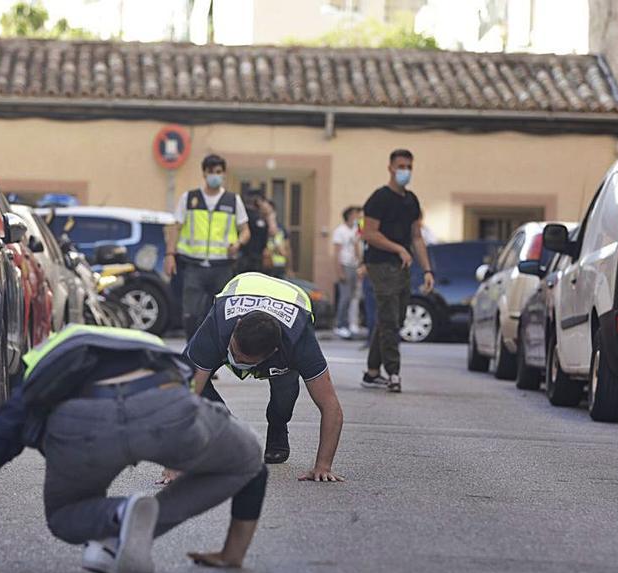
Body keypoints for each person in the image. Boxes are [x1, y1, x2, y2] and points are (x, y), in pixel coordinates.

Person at [0, 324, 271, 573]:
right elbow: (253, 465)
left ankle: (123, 516)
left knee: (65, 515)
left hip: (81, 424)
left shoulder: (37, 366)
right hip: (162, 402)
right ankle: (231, 553)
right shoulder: (141, 341)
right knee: (248, 458)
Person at [186, 272, 344, 478]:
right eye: (234, 352)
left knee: (284, 395)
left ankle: (278, 427)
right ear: (238, 325)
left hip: (291, 302)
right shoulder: (217, 325)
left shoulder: (298, 343)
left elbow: (331, 406)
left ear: (272, 354)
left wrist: (323, 466)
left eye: (245, 360)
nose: (236, 359)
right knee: (193, 383)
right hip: (244, 287)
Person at [360, 149, 434, 394]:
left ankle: (372, 372)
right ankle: (393, 372)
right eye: (401, 166)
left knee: (394, 318)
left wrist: (427, 270)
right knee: (390, 319)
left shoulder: (411, 200)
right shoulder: (379, 198)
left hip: (402, 266)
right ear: (390, 167)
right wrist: (397, 249)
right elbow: (369, 233)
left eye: (409, 167)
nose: (405, 171)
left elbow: (417, 237)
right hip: (380, 264)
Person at [165, 154, 251, 339]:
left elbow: (245, 230)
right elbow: (175, 227)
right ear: (204, 173)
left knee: (222, 313)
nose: (214, 175)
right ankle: (191, 353)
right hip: (193, 266)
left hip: (222, 266)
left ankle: (214, 355)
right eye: (211, 172)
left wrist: (238, 243)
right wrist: (170, 255)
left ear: (224, 174)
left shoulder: (232, 200)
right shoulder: (189, 198)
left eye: (218, 172)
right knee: (190, 314)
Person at [332, 206, 363, 339]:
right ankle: (340, 325)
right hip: (345, 265)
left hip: (354, 265)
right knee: (345, 296)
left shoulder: (356, 230)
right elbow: (336, 253)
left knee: (354, 297)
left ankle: (352, 324)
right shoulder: (340, 231)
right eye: (357, 214)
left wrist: (360, 262)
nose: (359, 217)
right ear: (350, 215)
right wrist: (339, 271)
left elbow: (357, 245)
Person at [237, 192, 268, 275]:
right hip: (253, 259)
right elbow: (263, 238)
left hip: (242, 258)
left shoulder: (242, 216)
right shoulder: (257, 218)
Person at [259, 199, 291, 278]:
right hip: (263, 268)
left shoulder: (280, 230)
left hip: (278, 268)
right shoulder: (259, 228)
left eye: (269, 212)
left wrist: (289, 268)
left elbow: (286, 250)